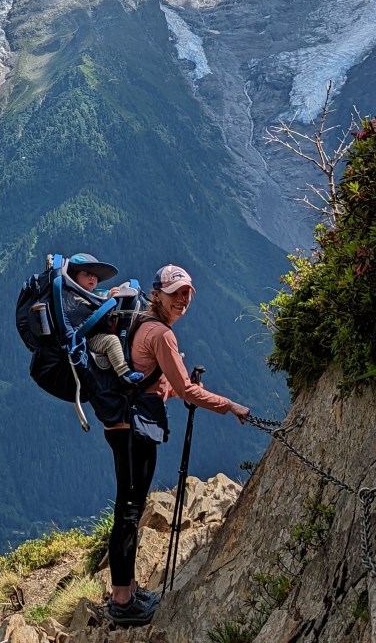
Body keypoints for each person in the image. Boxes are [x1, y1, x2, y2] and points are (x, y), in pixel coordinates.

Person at [103, 264, 250, 629]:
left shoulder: (139, 322)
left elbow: (148, 379)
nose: (183, 300)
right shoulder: (162, 335)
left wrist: (171, 379)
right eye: (175, 293)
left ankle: (129, 589)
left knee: (128, 508)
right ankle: (123, 601)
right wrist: (229, 405)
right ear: (157, 294)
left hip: (122, 424)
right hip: (136, 429)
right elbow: (185, 391)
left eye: (187, 293)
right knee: (130, 512)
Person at [64, 253, 142, 385]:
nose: (92, 277)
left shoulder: (91, 294)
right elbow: (90, 314)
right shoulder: (73, 297)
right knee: (111, 341)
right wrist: (107, 301)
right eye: (87, 273)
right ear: (74, 276)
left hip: (94, 332)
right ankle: (124, 373)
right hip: (86, 337)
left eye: (95, 275)